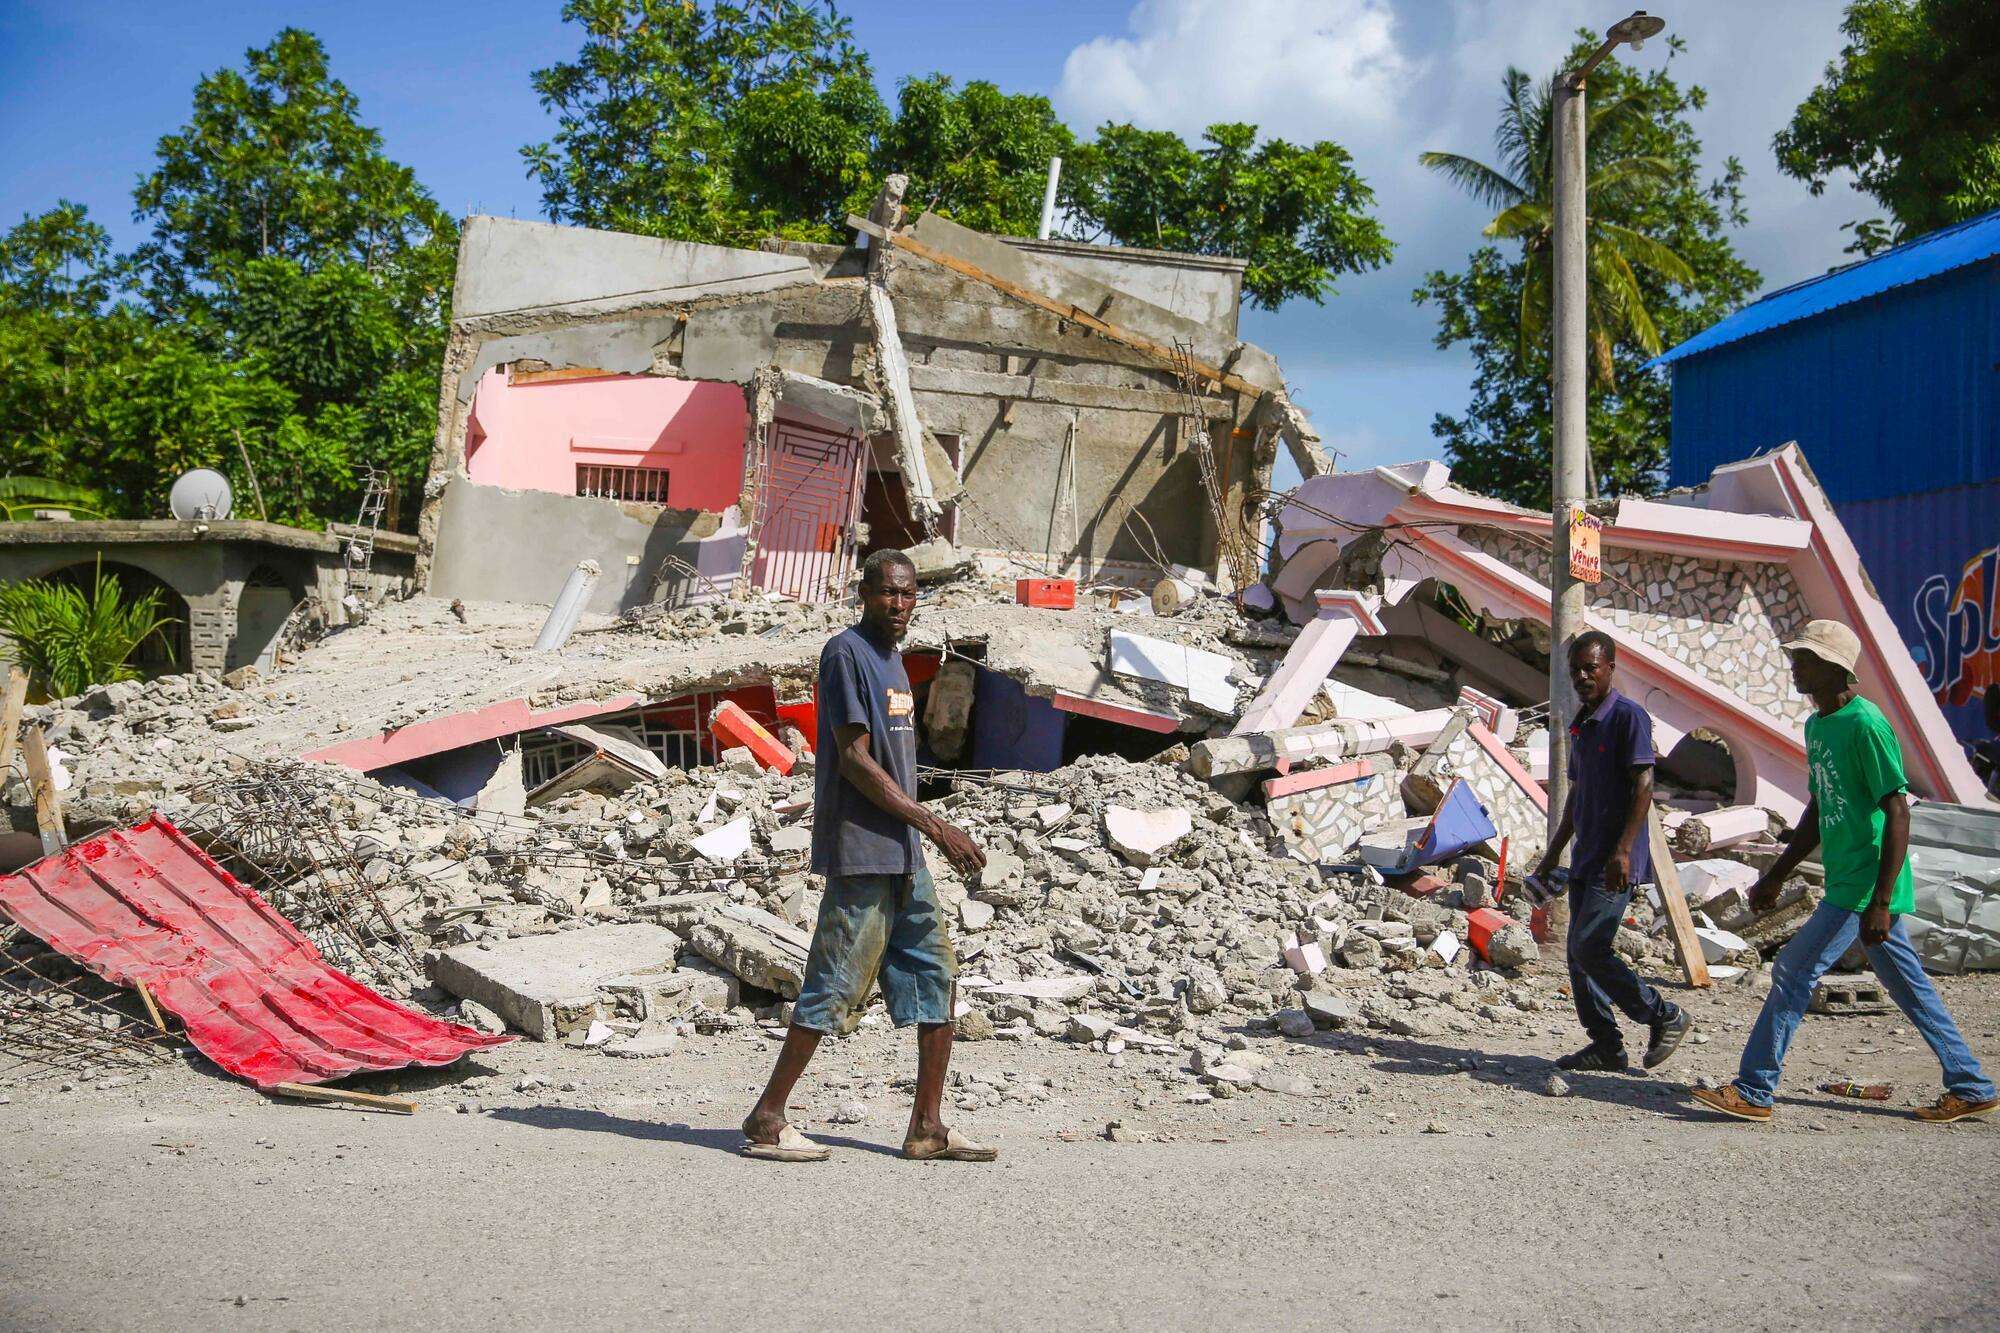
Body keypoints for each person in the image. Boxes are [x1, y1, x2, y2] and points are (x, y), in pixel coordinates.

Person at [741, 548, 999, 1163]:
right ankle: (768, 1119)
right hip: (862, 851)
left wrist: (921, 833)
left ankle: (927, 1128)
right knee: (833, 982)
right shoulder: (846, 654)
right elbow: (856, 762)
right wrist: (936, 825)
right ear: (865, 594)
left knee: (936, 977)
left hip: (904, 853)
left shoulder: (895, 663)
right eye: (888, 593)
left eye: (909, 594)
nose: (900, 604)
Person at [1691, 620, 1998, 1124]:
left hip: (1865, 883)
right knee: (1906, 985)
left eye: (1805, 659)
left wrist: (1880, 900)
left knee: (1793, 968)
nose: (1795, 666)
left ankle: (1754, 1088)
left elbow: (1898, 811)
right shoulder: (1818, 725)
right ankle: (1970, 1083)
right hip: (1846, 877)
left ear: (1835, 668)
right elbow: (1821, 802)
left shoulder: (1866, 725)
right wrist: (1778, 871)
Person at [1530, 630, 1692, 1074]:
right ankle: (1606, 1045)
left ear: (1611, 667)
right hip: (1586, 856)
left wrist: (1623, 850)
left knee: (1589, 946)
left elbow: (1644, 785)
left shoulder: (1628, 717)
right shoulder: (1582, 722)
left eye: (1591, 668)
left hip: (1613, 861)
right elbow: (1577, 797)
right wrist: (1552, 857)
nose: (1582, 676)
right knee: (1578, 958)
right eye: (1576, 670)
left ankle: (1664, 1015)